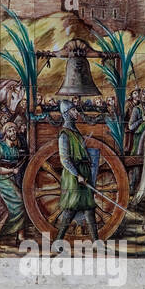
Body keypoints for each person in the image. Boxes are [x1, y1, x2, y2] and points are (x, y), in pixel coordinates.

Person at [53, 99, 99, 244]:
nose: (77, 112)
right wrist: (77, 175)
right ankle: (58, 241)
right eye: (73, 110)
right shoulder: (64, 134)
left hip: (83, 173)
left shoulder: (75, 132)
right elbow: (65, 159)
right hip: (74, 176)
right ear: (66, 113)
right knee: (70, 209)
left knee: (89, 208)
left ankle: (96, 242)